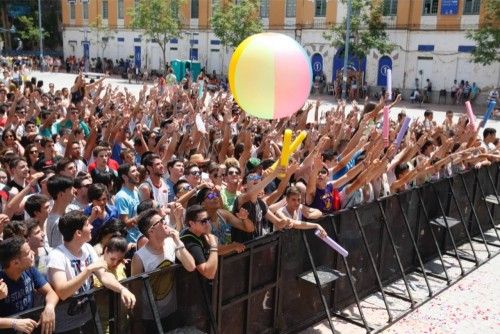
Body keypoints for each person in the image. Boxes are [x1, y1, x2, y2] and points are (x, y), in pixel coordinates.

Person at [47, 210, 136, 333]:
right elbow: (62, 292)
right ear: (78, 233)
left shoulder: (88, 248)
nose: (92, 226)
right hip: (67, 325)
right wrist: (88, 270)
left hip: (89, 318)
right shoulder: (57, 256)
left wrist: (122, 289)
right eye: (88, 224)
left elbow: (103, 275)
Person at [131, 208, 195, 332]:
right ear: (151, 231)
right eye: (160, 221)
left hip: (172, 312)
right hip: (150, 317)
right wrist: (137, 321)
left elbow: (191, 266)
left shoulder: (171, 243)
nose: (165, 222)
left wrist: (178, 241)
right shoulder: (139, 258)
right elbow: (136, 290)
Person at [0, 236, 58, 334]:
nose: (33, 253)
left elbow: (51, 292)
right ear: (15, 263)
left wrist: (49, 308)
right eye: (28, 253)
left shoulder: (29, 270)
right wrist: (13, 323)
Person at [180, 205, 218, 280]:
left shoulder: (199, 232)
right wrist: (213, 245)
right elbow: (209, 274)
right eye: (203, 221)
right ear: (191, 223)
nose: (207, 223)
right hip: (193, 288)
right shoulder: (190, 242)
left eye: (208, 219)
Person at [115, 164, 142, 243]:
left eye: (136, 170)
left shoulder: (135, 190)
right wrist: (144, 214)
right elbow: (124, 223)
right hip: (130, 241)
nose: (138, 173)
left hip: (139, 237)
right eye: (133, 171)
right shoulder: (121, 197)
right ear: (124, 177)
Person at [46, 175, 75, 248]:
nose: (75, 190)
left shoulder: (70, 209)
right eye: (71, 189)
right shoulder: (56, 223)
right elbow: (57, 250)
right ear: (61, 194)